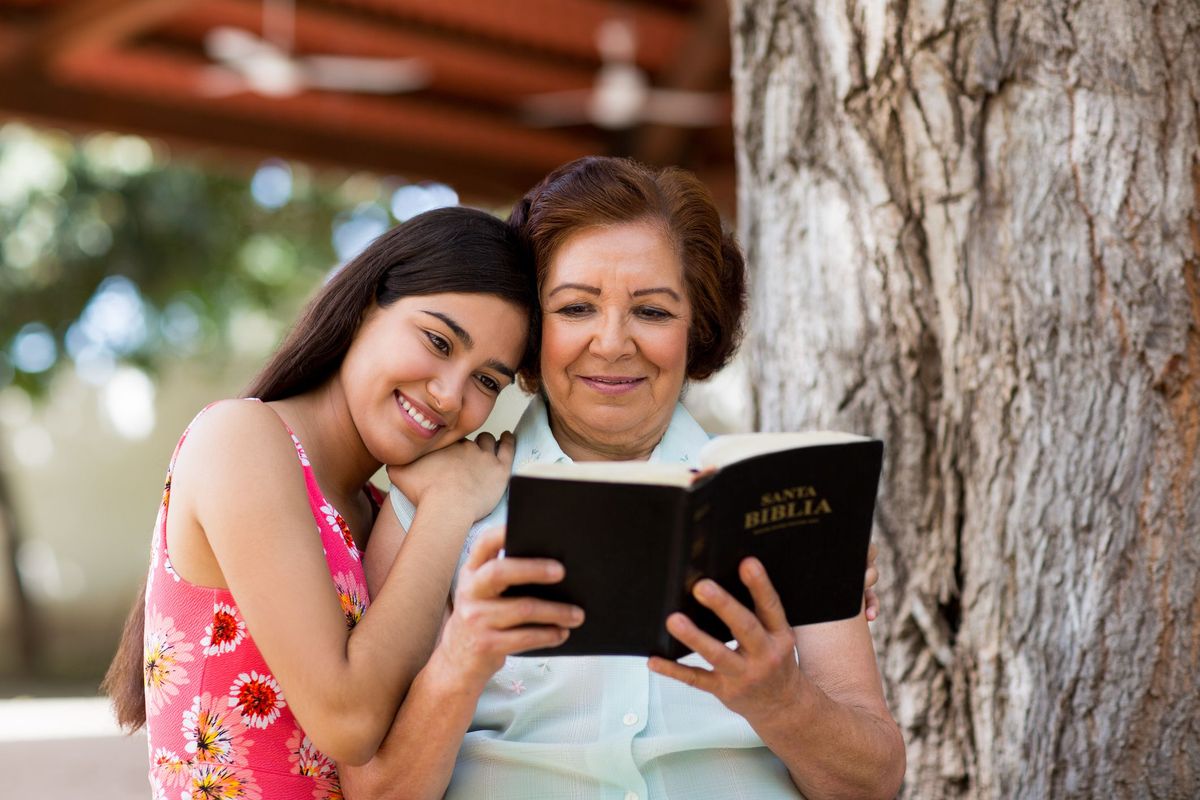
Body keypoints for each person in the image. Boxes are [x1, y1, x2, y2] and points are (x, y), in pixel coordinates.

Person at [343, 157, 905, 799]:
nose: (612, 344)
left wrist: (784, 702)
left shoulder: (782, 498)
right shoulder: (434, 500)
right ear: (533, 331)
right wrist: (460, 661)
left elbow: (874, 783)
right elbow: (372, 792)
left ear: (698, 330)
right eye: (576, 307)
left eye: (654, 312)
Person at [101, 206, 538, 800]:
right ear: (365, 306)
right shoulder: (242, 440)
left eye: (487, 380)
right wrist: (446, 509)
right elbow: (348, 723)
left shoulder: (381, 510)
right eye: (438, 341)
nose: (448, 394)